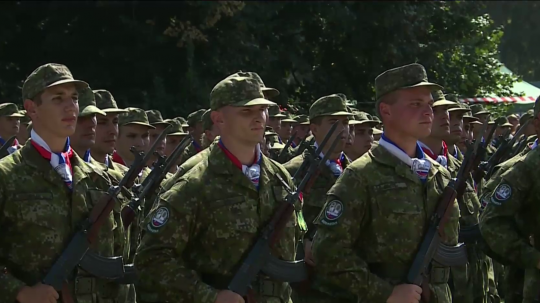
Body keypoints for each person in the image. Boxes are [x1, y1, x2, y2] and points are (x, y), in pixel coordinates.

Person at [135, 75, 301, 303]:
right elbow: (151, 260)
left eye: (262, 109)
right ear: (218, 119)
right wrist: (209, 296)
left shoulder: (280, 177)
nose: (259, 118)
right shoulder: (195, 182)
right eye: (246, 111)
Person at [312, 63, 460, 303]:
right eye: (416, 104)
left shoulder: (439, 175)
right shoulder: (361, 176)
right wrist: (384, 292)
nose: (428, 112)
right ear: (386, 111)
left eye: (429, 105)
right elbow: (327, 251)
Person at [0, 63, 126, 303]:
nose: (71, 107)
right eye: (58, 98)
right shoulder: (6, 176)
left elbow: (120, 261)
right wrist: (19, 291)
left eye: (74, 98)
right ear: (31, 109)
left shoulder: (102, 178)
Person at [283, 94, 352, 302]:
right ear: (314, 129)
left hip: (352, 281)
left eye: (346, 123)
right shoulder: (293, 171)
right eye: (334, 122)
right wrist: (303, 238)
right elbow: (288, 218)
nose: (343, 129)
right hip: (313, 285)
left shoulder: (356, 171)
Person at [69, 87, 106, 161]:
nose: (91, 124)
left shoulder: (104, 171)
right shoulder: (51, 166)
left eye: (93, 115)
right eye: (82, 118)